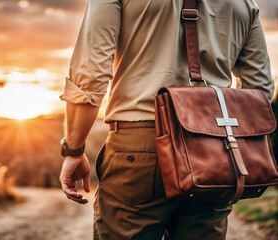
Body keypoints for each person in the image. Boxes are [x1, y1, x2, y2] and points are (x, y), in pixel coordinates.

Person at [58, 0, 274, 239]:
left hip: (139, 148)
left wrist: (74, 150)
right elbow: (260, 89)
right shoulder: (244, 4)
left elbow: (90, 74)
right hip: (214, 149)